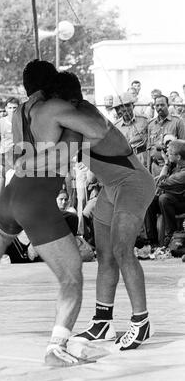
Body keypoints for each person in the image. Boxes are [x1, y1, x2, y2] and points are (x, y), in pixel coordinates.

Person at [0, 60, 113, 367]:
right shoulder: (55, 108)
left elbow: (31, 150)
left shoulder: (19, 111)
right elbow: (99, 129)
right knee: (71, 277)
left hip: (12, 192)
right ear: (51, 86)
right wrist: (79, 109)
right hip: (36, 198)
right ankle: (56, 349)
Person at [49, 71, 156, 351]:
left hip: (133, 183)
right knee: (105, 256)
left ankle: (141, 322)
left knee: (122, 252)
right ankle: (103, 322)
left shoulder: (86, 117)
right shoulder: (72, 119)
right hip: (111, 187)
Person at [145, 139, 185, 247]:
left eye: (170, 153)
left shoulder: (182, 173)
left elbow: (161, 182)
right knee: (151, 200)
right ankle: (152, 241)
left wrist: (166, 163)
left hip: (181, 203)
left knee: (164, 198)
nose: (166, 154)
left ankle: (170, 236)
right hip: (173, 201)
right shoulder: (176, 165)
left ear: (179, 157)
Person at [147, 95, 185, 177]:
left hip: (173, 168)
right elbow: (149, 148)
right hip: (155, 167)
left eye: (162, 105)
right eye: (157, 105)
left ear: (168, 105)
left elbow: (183, 147)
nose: (159, 107)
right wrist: (148, 167)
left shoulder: (178, 122)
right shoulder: (151, 124)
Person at [0, 97, 19, 192]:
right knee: (2, 178)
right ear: (6, 108)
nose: (12, 110)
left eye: (14, 108)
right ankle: (0, 201)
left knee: (18, 178)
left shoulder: (22, 122)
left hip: (19, 154)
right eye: (10, 108)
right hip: (4, 155)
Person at [113, 92, 148, 165]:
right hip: (125, 161)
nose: (125, 109)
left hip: (142, 159)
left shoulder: (145, 120)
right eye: (122, 106)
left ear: (133, 106)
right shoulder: (116, 126)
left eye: (128, 105)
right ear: (119, 109)